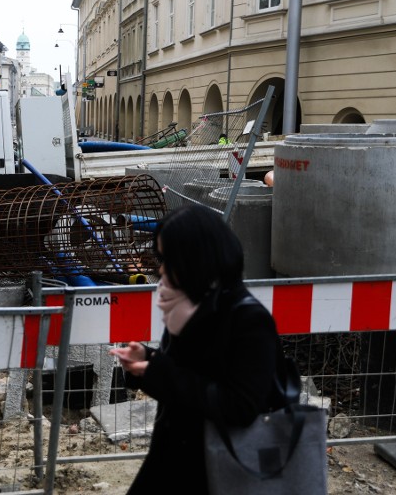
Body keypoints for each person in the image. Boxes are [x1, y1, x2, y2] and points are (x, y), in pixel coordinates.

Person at [109, 204, 284, 494]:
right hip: (176, 455)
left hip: (222, 466)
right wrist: (148, 360)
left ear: (196, 258)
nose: (160, 268)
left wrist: (158, 371)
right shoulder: (189, 307)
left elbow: (241, 406)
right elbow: (185, 373)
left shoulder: (249, 319)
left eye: (168, 258)